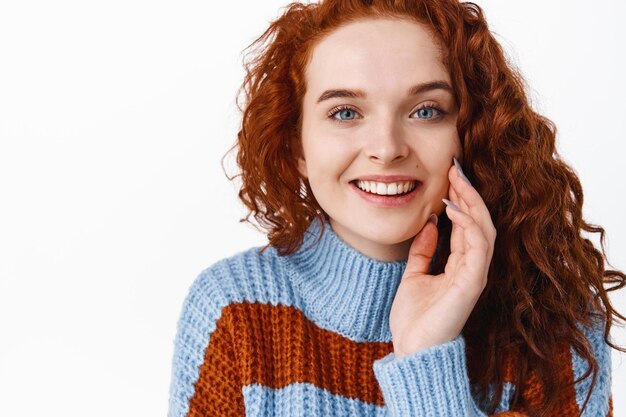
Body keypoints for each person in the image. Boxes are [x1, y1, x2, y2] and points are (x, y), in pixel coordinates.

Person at [167, 0, 626, 416]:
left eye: (426, 110)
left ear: (474, 133)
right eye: (345, 112)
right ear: (297, 146)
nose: (386, 149)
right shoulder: (233, 311)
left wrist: (426, 359)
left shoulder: (555, 318)